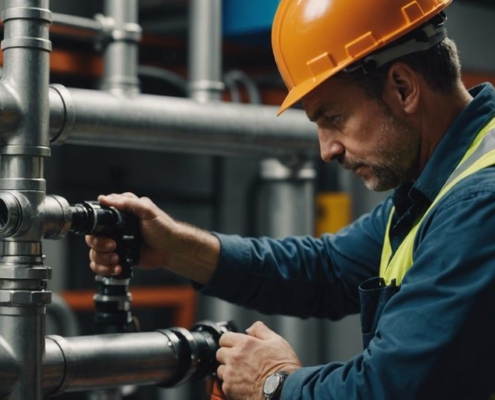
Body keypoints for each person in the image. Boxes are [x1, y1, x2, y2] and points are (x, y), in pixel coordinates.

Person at [86, 0, 495, 398]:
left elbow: (389, 388)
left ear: (403, 88)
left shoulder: (478, 202)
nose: (326, 151)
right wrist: (176, 247)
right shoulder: (438, 186)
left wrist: (274, 383)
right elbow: (328, 269)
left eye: (333, 118)